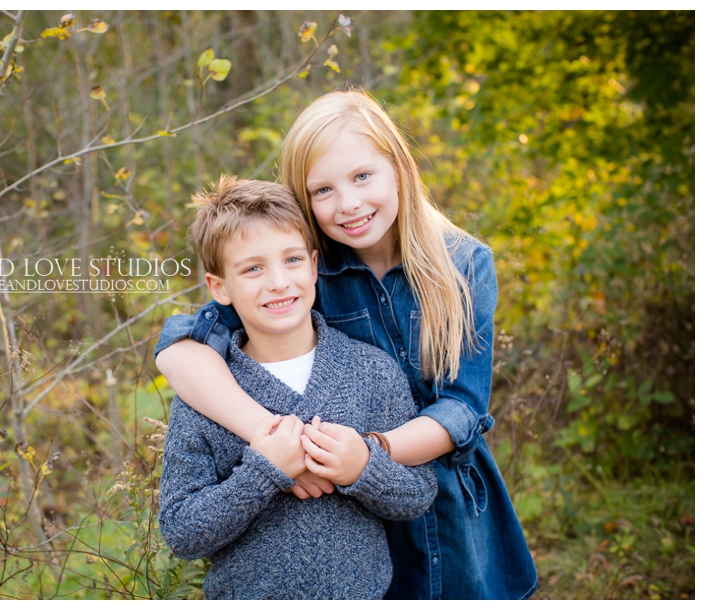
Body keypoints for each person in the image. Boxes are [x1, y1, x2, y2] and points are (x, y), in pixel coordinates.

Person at [155, 90, 538, 600]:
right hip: (341, 521)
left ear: (398, 167)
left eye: (362, 176)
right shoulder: (308, 270)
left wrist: (369, 453)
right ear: (304, 198)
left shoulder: (463, 264)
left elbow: (464, 406)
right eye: (323, 190)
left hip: (438, 493)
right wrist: (275, 441)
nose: (350, 203)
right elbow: (180, 348)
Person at [158, 176, 437, 600]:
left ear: (312, 265)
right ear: (220, 288)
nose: (278, 282)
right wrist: (261, 473)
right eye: (252, 268)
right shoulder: (206, 395)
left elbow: (419, 494)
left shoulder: (370, 371)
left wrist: (363, 468)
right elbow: (181, 532)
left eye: (291, 260)